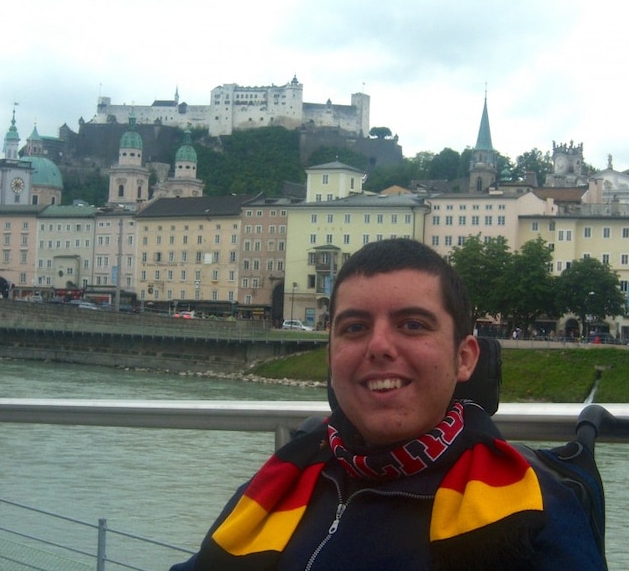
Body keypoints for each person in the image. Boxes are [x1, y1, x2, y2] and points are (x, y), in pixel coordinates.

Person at [170, 238, 605, 570]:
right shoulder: (272, 488)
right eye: (355, 327)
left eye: (412, 324)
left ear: (464, 358)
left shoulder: (534, 510)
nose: (378, 346)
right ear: (330, 356)